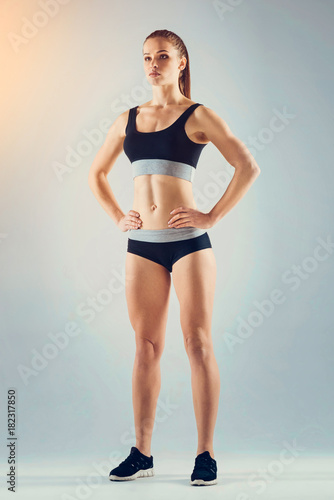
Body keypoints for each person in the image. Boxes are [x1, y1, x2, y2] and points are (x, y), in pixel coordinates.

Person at [88, 29, 261, 486]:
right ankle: (142, 452)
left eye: (162, 56)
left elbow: (247, 166)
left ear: (181, 62)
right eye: (146, 56)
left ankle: (205, 453)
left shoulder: (197, 115)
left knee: (197, 343)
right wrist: (116, 216)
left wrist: (212, 216)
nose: (152, 64)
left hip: (187, 244)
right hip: (142, 247)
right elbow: (96, 173)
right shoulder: (128, 118)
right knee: (146, 348)